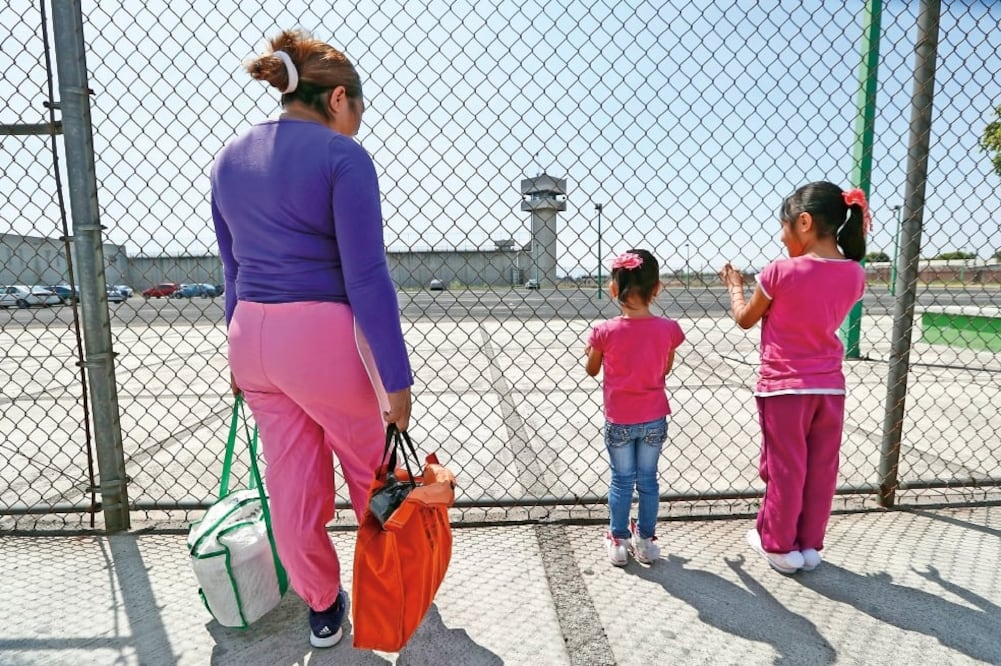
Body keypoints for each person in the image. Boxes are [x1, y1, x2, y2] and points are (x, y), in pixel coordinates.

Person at [210, 30, 413, 648]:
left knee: (292, 486)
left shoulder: (228, 158)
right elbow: (366, 276)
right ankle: (394, 592)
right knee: (372, 475)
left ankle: (322, 609)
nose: (357, 123)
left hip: (252, 337)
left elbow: (231, 269)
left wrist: (236, 349)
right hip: (321, 338)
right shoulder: (342, 157)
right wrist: (396, 377)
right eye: (358, 109)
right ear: (337, 100)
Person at [720, 181, 868, 574]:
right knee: (821, 468)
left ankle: (779, 545)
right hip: (830, 388)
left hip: (784, 387)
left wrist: (736, 288)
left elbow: (745, 319)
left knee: (785, 467)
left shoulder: (779, 272)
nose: (782, 237)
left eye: (784, 228)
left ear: (804, 222)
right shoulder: (855, 274)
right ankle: (809, 545)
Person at [585, 249, 686, 566]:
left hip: (619, 419)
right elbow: (665, 369)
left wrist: (594, 347)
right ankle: (645, 540)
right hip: (654, 416)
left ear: (613, 289)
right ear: (656, 289)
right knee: (648, 480)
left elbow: (591, 369)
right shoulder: (668, 329)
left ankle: (618, 539)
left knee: (621, 480)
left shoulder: (604, 331)